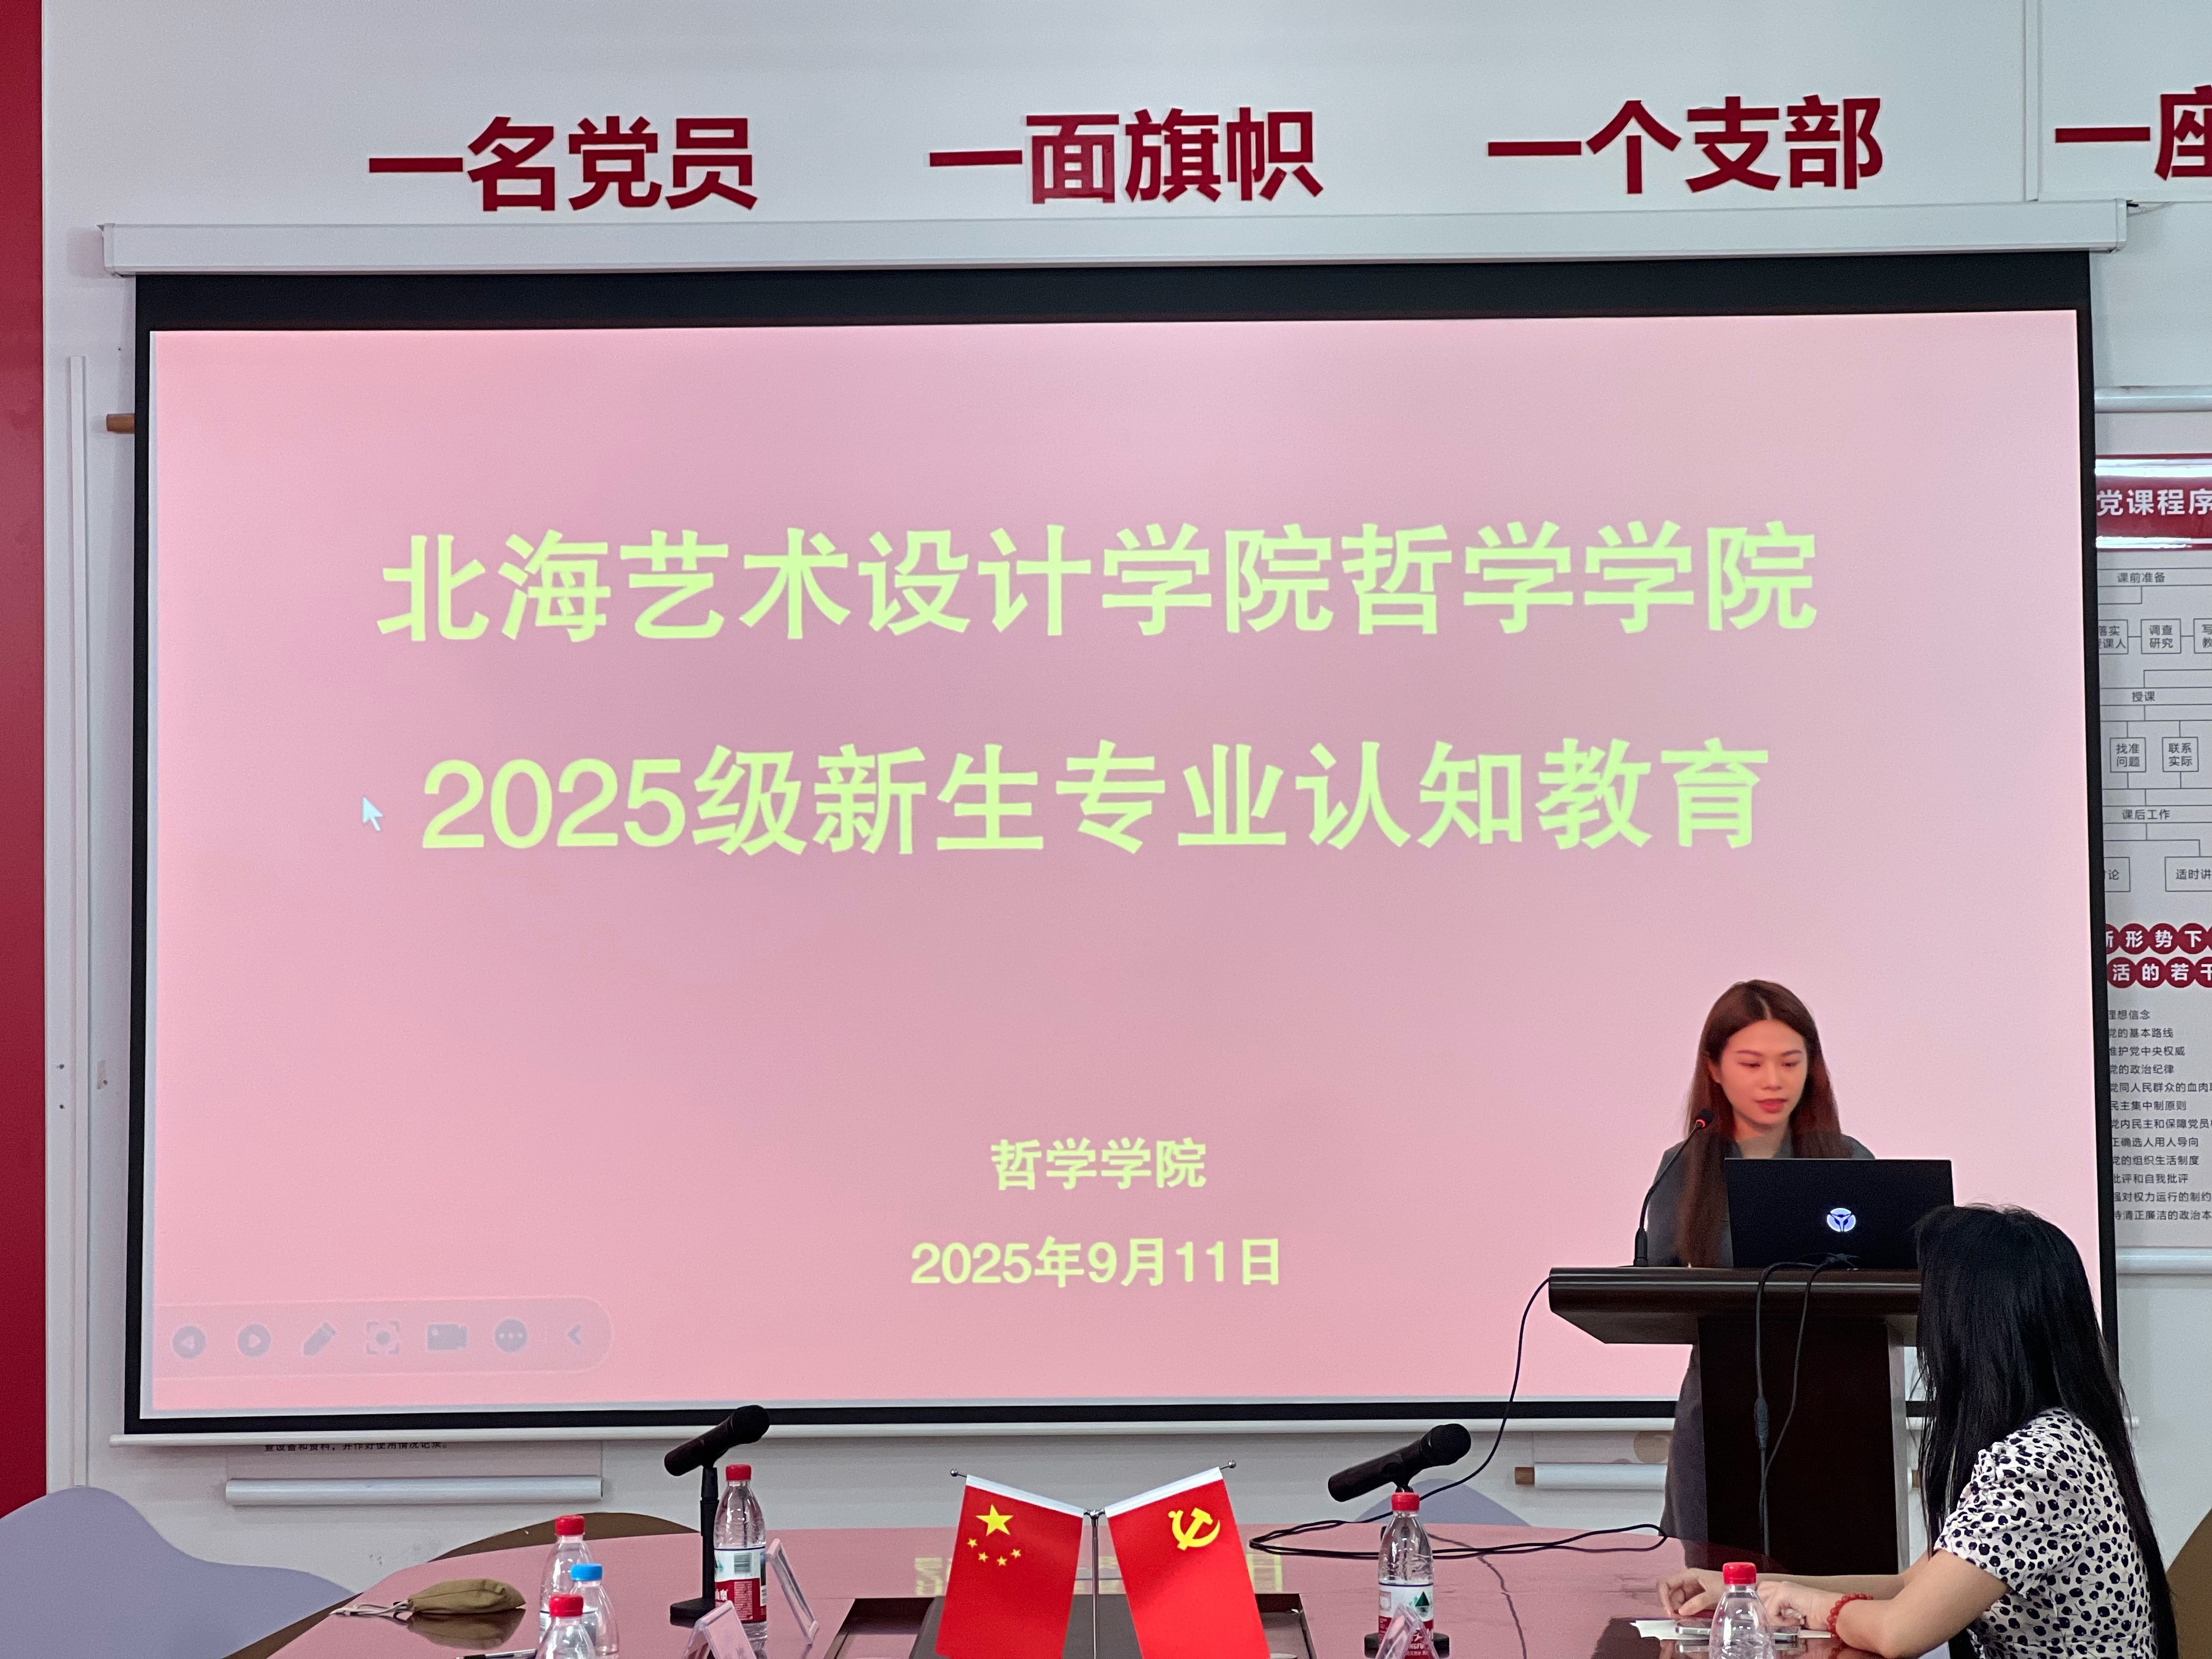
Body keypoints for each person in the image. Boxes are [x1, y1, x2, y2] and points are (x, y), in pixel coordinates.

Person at [1656, 1205, 2175, 1659]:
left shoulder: (2039, 1462)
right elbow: (1909, 1587)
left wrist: (1808, 1604)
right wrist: (1744, 1589)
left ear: (1973, 1327)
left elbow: (1901, 1632)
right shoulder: (2054, 1437)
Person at [1644, 980, 1872, 1541]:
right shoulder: (1684, 1168)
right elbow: (1657, 1287)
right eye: (1751, 1063)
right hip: (1718, 1405)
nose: (1773, 1081)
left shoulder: (1848, 1162)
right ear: (1715, 1069)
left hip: (1833, 1407)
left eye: (1790, 1063)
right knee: (1707, 1575)